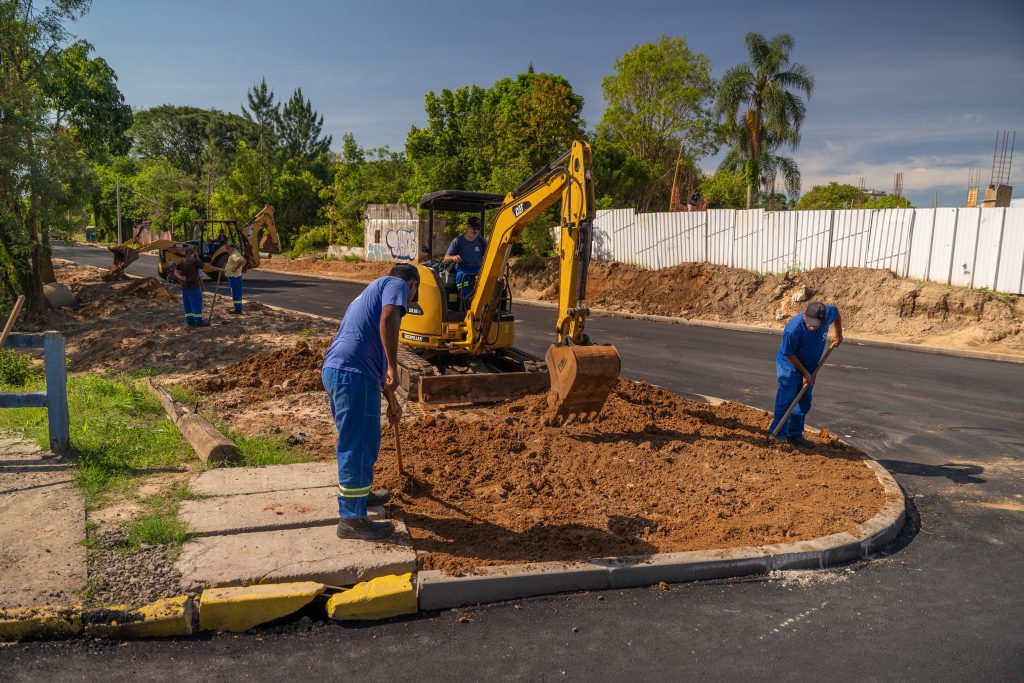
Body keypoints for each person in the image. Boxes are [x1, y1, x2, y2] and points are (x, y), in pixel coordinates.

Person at [321, 263, 420, 540]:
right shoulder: (397, 284)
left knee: (362, 439)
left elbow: (370, 345)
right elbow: (389, 320)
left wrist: (392, 400)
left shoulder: (368, 293)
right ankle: (352, 519)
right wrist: (392, 366)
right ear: (413, 285)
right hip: (353, 374)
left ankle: (360, 495)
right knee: (358, 444)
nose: (406, 302)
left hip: (340, 371)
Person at [768, 301, 843, 447]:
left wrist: (838, 333)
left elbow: (836, 313)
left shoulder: (828, 314)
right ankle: (778, 436)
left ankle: (794, 434)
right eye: (810, 323)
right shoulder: (793, 329)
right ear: (804, 316)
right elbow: (789, 353)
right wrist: (804, 373)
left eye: (817, 324)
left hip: (810, 366)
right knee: (786, 399)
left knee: (804, 400)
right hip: (789, 365)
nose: (813, 327)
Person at [443, 216, 487, 305]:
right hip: (463, 270)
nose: (475, 231)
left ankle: (485, 303)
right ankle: (468, 302)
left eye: (478, 229)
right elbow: (445, 259)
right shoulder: (458, 241)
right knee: (461, 277)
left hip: (477, 270)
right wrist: (453, 257)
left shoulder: (481, 242)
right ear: (468, 227)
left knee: (488, 278)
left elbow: (488, 255)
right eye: (473, 228)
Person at [171, 246, 206, 328]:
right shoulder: (195, 260)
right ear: (193, 253)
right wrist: (218, 269)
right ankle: (198, 322)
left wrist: (180, 277)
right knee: (197, 304)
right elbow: (204, 268)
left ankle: (190, 321)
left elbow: (175, 271)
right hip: (194, 286)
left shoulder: (181, 260)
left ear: (185, 253)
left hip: (184, 286)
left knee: (187, 304)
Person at [222, 244, 247, 314]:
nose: (227, 250)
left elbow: (240, 261)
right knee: (237, 292)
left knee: (235, 292)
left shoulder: (234, 255)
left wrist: (235, 268)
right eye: (226, 248)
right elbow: (244, 261)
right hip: (236, 276)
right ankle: (238, 308)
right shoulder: (236, 254)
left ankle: (238, 309)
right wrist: (239, 268)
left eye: (228, 248)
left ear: (233, 248)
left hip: (234, 277)